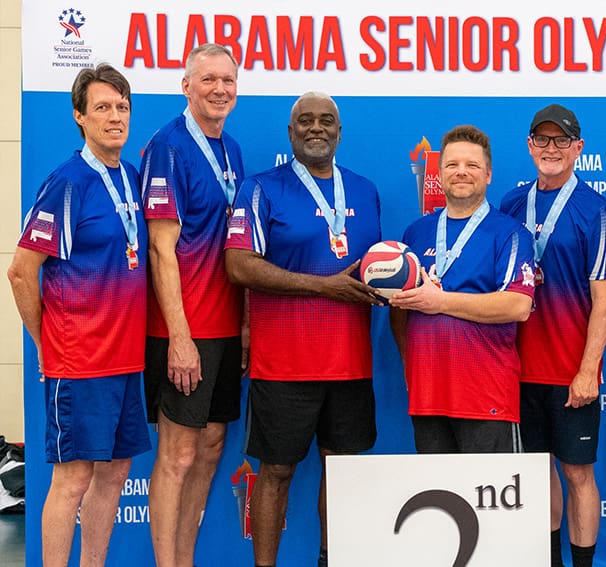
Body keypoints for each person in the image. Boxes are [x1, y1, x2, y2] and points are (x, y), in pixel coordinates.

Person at [224, 92, 382, 567]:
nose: (317, 128)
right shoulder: (260, 189)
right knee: (275, 472)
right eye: (306, 121)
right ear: (290, 133)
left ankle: (330, 560)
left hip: (351, 363)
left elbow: (374, 269)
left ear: (339, 132)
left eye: (327, 121)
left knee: (342, 473)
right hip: (284, 365)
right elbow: (238, 265)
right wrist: (323, 287)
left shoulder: (364, 190)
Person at [7, 64, 150, 567]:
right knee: (73, 479)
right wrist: (47, 344)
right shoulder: (68, 182)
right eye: (103, 108)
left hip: (126, 361)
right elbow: (22, 272)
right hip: (81, 361)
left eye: (122, 107)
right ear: (80, 117)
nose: (115, 117)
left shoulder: (130, 178)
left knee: (114, 474)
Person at [500, 104, 606, 567]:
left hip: (571, 371)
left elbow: (604, 300)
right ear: (530, 146)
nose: (551, 149)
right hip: (516, 370)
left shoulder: (598, 210)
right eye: (542, 140)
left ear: (578, 149)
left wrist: (588, 369)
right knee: (535, 474)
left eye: (561, 141)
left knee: (577, 473)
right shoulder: (511, 205)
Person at [140, 43, 245, 567]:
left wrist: (244, 327)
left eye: (227, 80)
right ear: (186, 86)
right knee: (178, 454)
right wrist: (179, 337)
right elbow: (161, 247)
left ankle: (185, 558)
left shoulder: (232, 150)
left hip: (225, 330)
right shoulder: (168, 147)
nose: (219, 89)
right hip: (182, 330)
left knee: (210, 448)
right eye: (208, 80)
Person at [389, 125, 536, 454]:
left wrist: (439, 301)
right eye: (452, 165)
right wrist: (409, 361)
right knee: (439, 502)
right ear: (439, 174)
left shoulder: (511, 233)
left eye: (472, 165)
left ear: (488, 175)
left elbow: (517, 306)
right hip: (427, 397)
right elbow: (399, 311)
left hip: (486, 397)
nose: (461, 172)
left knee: (491, 504)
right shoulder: (416, 233)